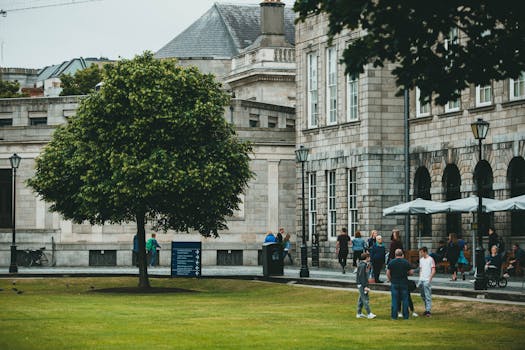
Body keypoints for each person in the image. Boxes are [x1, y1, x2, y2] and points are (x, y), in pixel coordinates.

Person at [386, 248, 414, 320]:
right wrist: (406, 273)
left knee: (394, 300)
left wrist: (390, 280)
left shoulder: (391, 262)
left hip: (394, 283)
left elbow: (388, 273)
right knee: (405, 300)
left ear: (395, 255)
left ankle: (394, 316)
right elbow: (411, 272)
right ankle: (406, 316)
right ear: (402, 254)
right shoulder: (406, 262)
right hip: (404, 283)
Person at [355, 252, 376, 319]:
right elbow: (362, 276)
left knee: (361, 299)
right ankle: (369, 313)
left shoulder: (364, 265)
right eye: (369, 257)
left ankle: (359, 313)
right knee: (365, 299)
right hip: (362, 285)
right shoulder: (362, 265)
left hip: (362, 284)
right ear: (367, 258)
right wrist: (365, 286)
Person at [418, 246, 436, 317]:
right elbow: (421, 269)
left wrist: (430, 278)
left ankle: (428, 310)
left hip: (427, 279)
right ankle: (426, 308)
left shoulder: (430, 259)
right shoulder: (421, 260)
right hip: (421, 279)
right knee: (423, 295)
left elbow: (433, 270)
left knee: (427, 295)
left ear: (425, 252)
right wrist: (420, 277)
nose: (421, 254)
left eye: (421, 252)